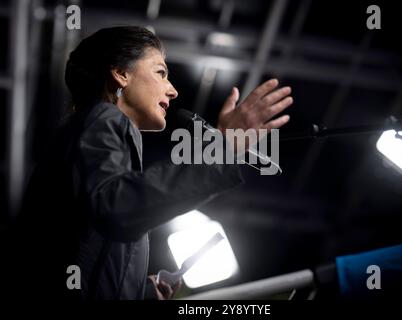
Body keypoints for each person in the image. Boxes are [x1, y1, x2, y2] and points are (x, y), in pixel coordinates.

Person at [8, 26, 293, 300]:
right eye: (160, 73)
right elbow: (115, 207)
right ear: (120, 74)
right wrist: (224, 149)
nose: (173, 91)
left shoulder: (99, 134)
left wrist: (142, 292)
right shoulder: (104, 117)